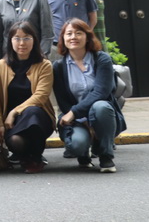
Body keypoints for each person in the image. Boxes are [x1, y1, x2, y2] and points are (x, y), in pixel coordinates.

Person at [53, 18, 126, 173]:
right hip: (76, 119)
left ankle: (106, 155)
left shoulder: (102, 59)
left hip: (101, 115)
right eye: (69, 34)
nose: (73, 37)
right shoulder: (58, 67)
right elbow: (63, 101)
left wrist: (74, 112)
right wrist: (80, 119)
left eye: (79, 33)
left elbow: (101, 92)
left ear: (87, 37)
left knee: (101, 106)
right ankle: (83, 152)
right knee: (77, 145)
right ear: (63, 38)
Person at [0, 21, 54, 173]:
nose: (22, 43)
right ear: (10, 41)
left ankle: (35, 157)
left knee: (32, 111)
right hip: (11, 124)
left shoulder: (44, 65)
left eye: (26, 38)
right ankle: (27, 157)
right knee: (15, 140)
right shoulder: (1, 66)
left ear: (34, 41)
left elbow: (41, 96)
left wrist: (14, 112)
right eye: (17, 38)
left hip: (39, 119)